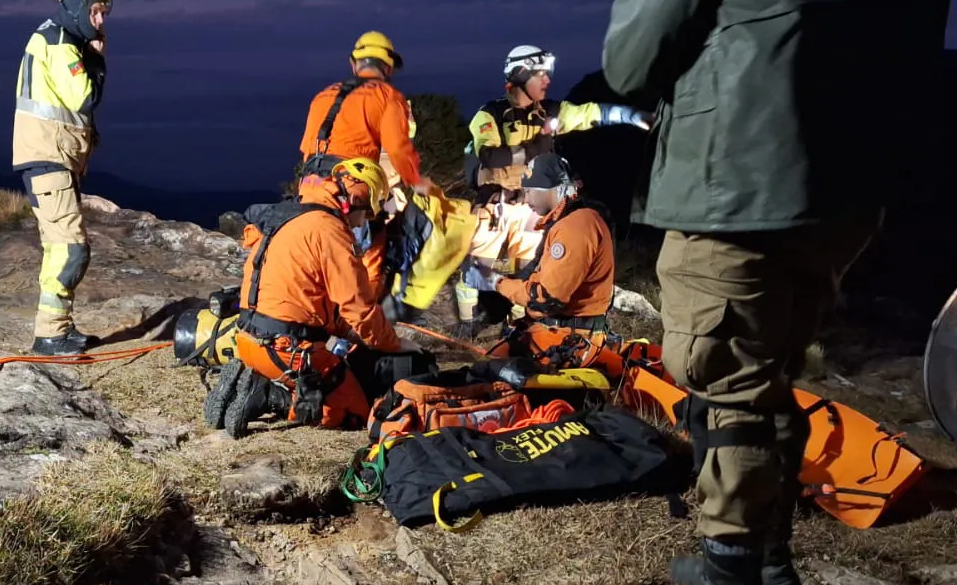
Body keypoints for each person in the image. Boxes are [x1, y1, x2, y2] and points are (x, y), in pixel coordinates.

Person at [601, 0, 951, 585]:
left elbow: (630, 56)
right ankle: (766, 564)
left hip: (734, 185)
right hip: (844, 192)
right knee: (770, 373)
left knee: (727, 381)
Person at [211, 157, 431, 433]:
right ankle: (271, 396)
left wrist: (347, 332)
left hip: (248, 341)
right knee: (355, 412)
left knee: (331, 375)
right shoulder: (331, 231)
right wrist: (394, 344)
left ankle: (256, 381)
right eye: (367, 214)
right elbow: (359, 309)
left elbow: (308, 300)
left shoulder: (293, 216)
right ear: (356, 200)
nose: (362, 223)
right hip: (287, 350)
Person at [454, 46, 650, 335]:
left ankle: (520, 325)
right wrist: (538, 145)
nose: (547, 80)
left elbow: (589, 113)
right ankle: (467, 324)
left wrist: (630, 115)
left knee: (529, 267)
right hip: (497, 205)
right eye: (540, 74)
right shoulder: (490, 115)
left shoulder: (551, 111)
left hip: (533, 208)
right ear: (520, 74)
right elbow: (492, 158)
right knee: (477, 264)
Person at [12, 0, 121, 355]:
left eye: (104, 12)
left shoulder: (56, 37)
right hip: (49, 157)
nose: (100, 20)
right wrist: (98, 63)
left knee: (59, 247)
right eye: (95, 11)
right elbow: (83, 98)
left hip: (53, 157)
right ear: (75, 3)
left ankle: (57, 327)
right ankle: (50, 336)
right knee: (70, 249)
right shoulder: (59, 42)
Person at [462, 153, 615, 348]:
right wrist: (491, 267)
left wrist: (496, 281)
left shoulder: (574, 227)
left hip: (569, 337)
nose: (525, 199)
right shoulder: (560, 221)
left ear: (548, 188)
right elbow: (532, 268)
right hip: (553, 328)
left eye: (529, 191)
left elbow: (546, 297)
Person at [298, 32, 432, 194]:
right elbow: (397, 149)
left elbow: (307, 150)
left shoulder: (322, 96)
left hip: (309, 186)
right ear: (389, 68)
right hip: (350, 186)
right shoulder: (388, 95)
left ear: (353, 64)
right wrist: (416, 181)